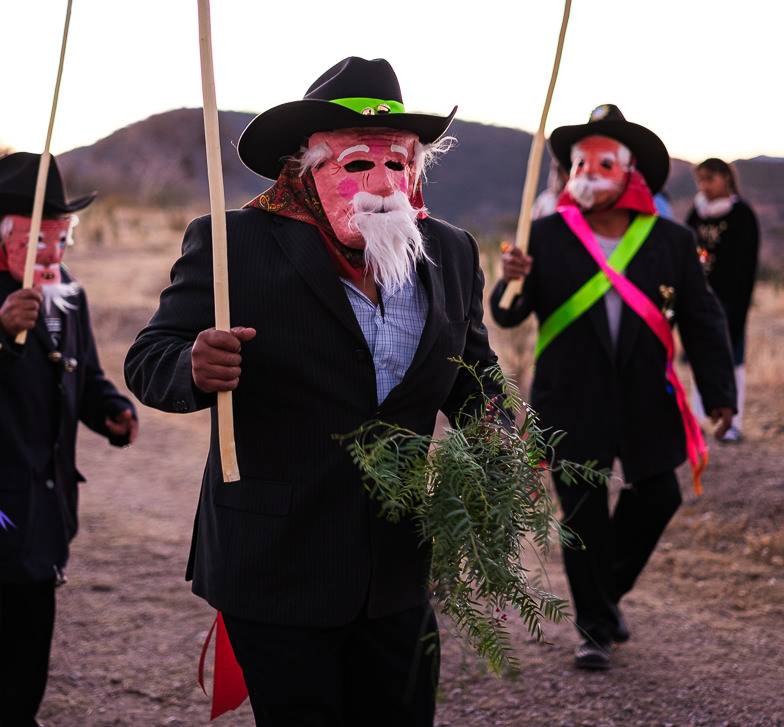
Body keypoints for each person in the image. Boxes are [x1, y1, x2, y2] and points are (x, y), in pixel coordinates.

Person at [124, 57, 506, 726]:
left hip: (396, 565)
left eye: (399, 164)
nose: (382, 184)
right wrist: (192, 365)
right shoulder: (233, 243)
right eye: (358, 165)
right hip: (277, 562)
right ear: (305, 168)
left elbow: (472, 372)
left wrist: (504, 431)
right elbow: (148, 357)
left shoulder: (451, 252)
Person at [490, 104, 737, 671]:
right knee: (582, 515)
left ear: (630, 172)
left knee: (659, 496)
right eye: (580, 160)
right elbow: (507, 317)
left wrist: (721, 393)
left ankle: (603, 595)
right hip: (569, 396)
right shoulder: (543, 236)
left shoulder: (670, 240)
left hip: (648, 395)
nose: (589, 170)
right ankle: (595, 628)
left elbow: (701, 319)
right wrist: (511, 282)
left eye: (604, 160)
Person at [0, 151, 139, 727]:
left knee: (31, 642)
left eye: (62, 239)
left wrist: (109, 410)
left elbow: (81, 374)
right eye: (40, 238)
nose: (52, 254)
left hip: (47, 505)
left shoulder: (70, 295)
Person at [686, 157, 760, 442]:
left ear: (726, 178)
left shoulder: (742, 216)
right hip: (699, 299)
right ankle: (697, 420)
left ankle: (734, 422)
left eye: (710, 179)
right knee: (698, 355)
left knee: (734, 359)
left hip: (730, 301)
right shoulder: (696, 213)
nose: (704, 186)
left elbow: (747, 269)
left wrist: (738, 312)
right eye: (700, 180)